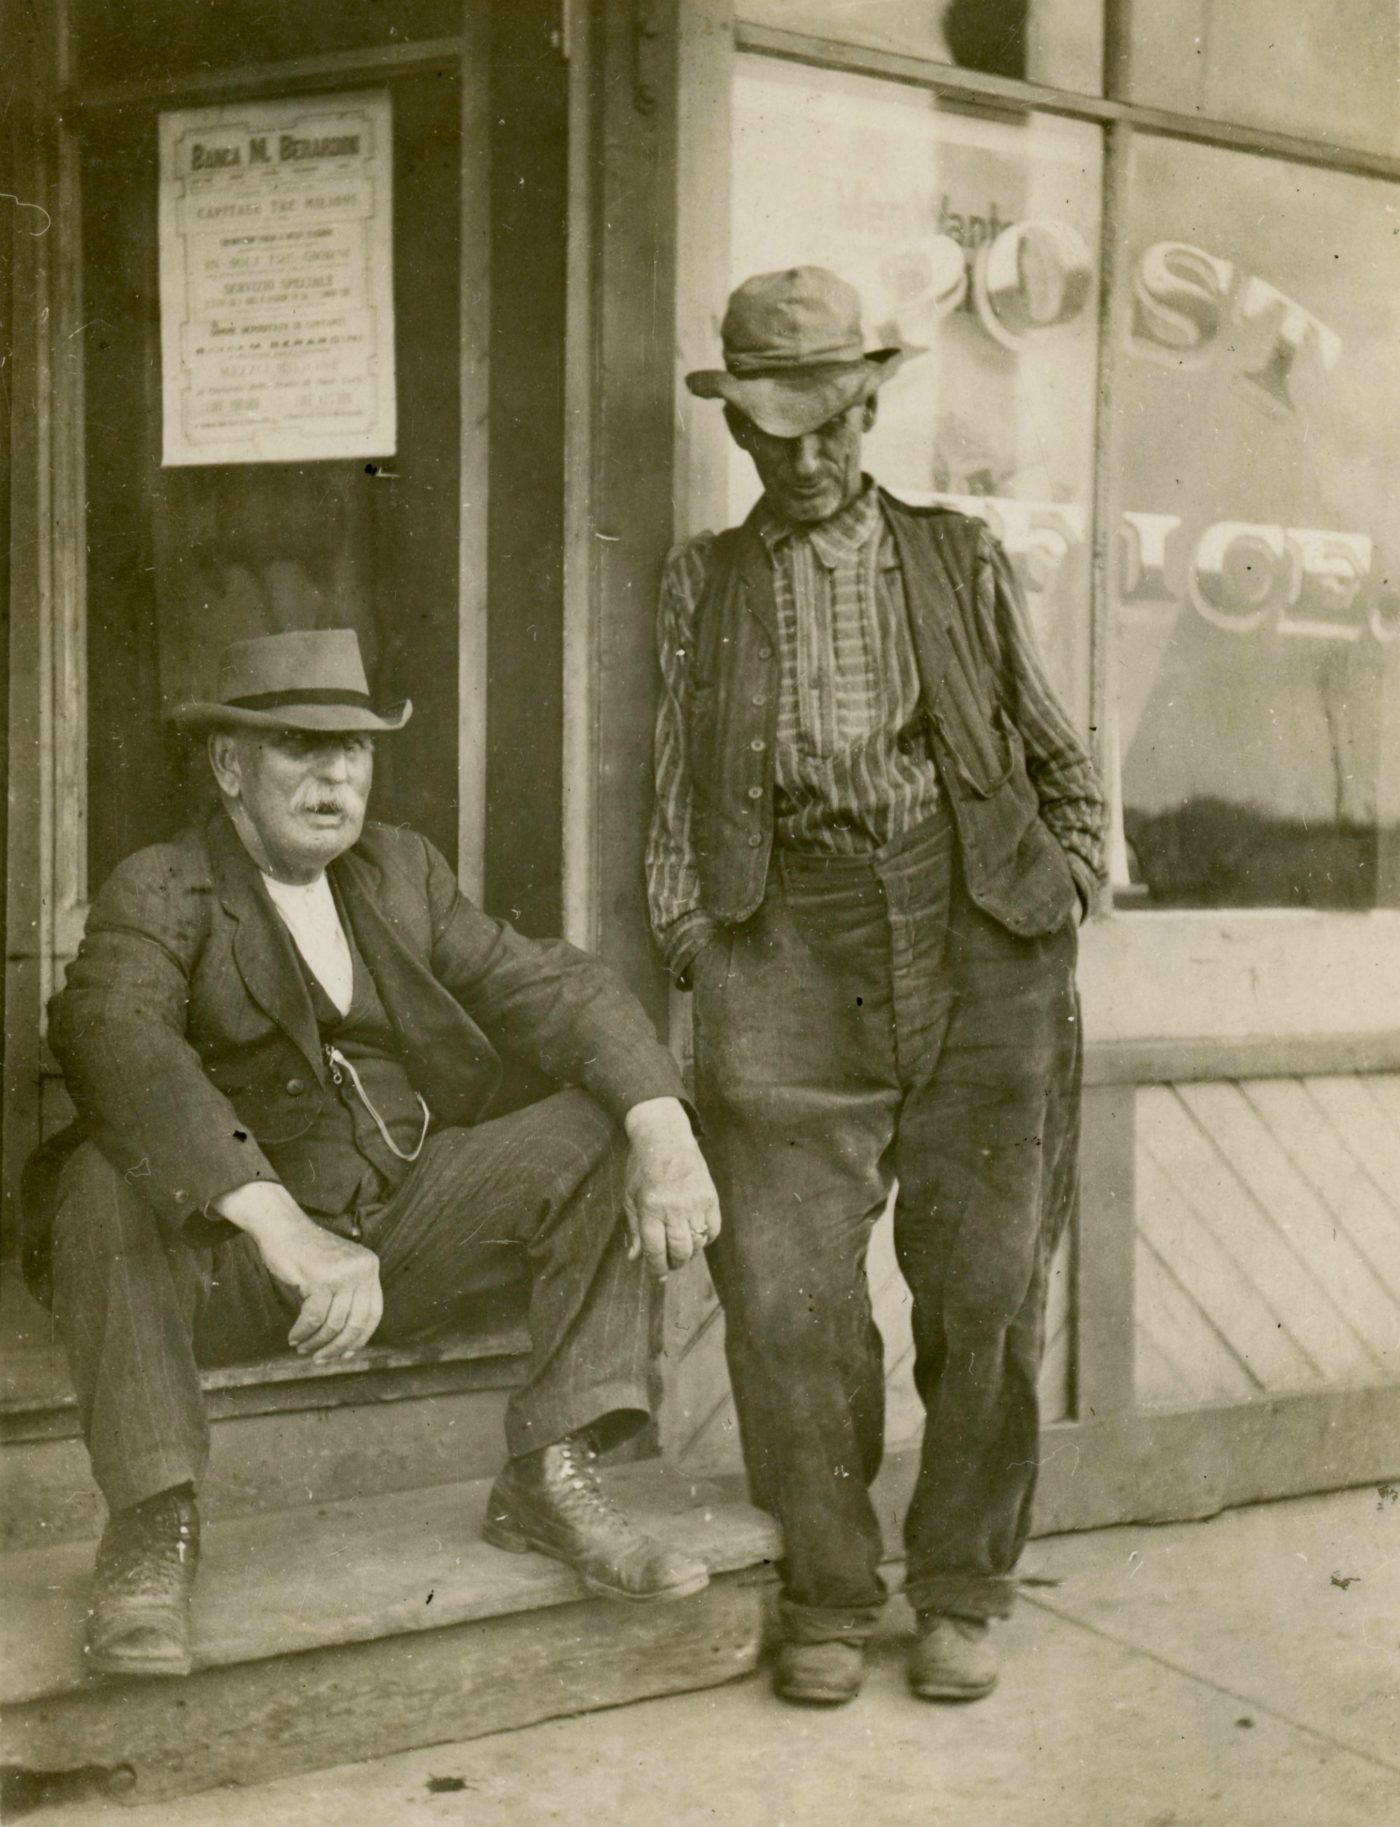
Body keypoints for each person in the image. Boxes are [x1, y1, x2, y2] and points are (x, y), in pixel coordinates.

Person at [28, 627, 722, 1678]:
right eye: (301, 746)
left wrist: (662, 1123)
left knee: (600, 1131)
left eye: (352, 748)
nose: (335, 776)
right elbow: (111, 1038)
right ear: (229, 767)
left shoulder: (399, 871)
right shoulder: (162, 886)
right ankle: (151, 1525)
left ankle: (550, 1471)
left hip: (401, 1231)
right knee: (96, 1181)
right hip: (235, 1270)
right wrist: (276, 1221)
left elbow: (553, 986)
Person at [647, 268, 1106, 1706]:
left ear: (869, 409)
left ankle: (961, 1586)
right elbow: (672, 792)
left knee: (985, 1288)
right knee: (788, 1301)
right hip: (786, 938)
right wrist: (697, 943)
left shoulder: (957, 556)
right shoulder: (702, 580)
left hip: (978, 931)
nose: (808, 460)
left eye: (833, 426)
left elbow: (1052, 743)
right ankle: (830, 1592)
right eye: (777, 434)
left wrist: (1067, 882)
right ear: (738, 430)